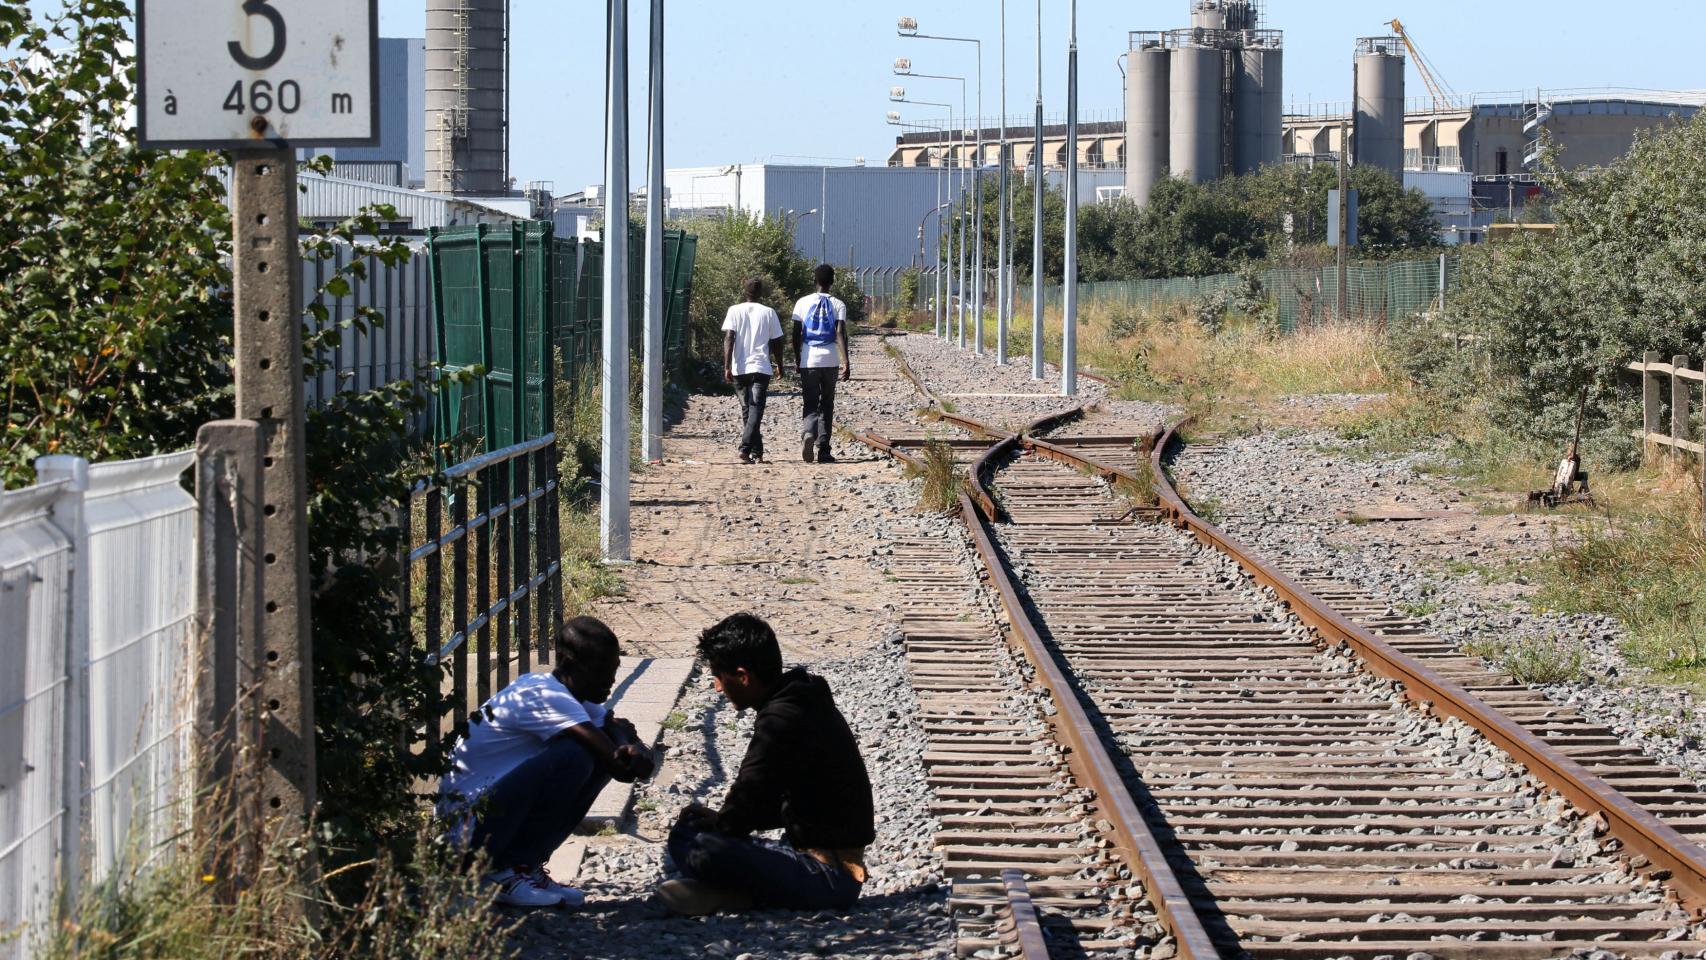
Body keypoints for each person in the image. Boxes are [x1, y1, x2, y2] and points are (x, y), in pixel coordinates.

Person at [657, 613, 874, 916]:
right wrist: (723, 820)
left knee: (694, 843)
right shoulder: (802, 698)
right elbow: (776, 801)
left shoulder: (781, 719)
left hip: (828, 877)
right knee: (697, 831)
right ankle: (737, 894)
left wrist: (723, 825)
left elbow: (750, 790)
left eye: (718, 676)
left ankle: (738, 896)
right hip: (825, 863)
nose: (717, 687)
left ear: (742, 676)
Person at [439, 616, 655, 908]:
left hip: (485, 821)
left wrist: (631, 745)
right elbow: (616, 758)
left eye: (614, 669)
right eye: (600, 671)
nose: (610, 680)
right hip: (466, 833)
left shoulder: (576, 699)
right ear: (567, 663)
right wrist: (627, 747)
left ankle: (525, 866)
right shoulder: (542, 694)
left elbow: (615, 733)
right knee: (575, 756)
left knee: (589, 756)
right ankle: (500, 871)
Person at [789, 264, 852, 464]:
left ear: (814, 280)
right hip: (830, 359)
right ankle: (824, 450)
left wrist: (798, 358)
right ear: (832, 281)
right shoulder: (839, 304)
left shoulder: (802, 302)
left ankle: (809, 431)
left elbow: (796, 334)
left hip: (809, 359)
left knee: (810, 402)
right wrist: (846, 362)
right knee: (827, 403)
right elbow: (840, 333)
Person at [722, 277, 786, 464]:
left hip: (740, 368)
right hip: (760, 368)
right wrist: (780, 365)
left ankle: (757, 453)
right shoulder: (769, 312)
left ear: (745, 291)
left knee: (748, 410)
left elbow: (729, 338)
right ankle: (745, 449)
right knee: (756, 408)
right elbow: (777, 342)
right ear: (761, 293)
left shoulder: (734, 310)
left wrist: (727, 366)